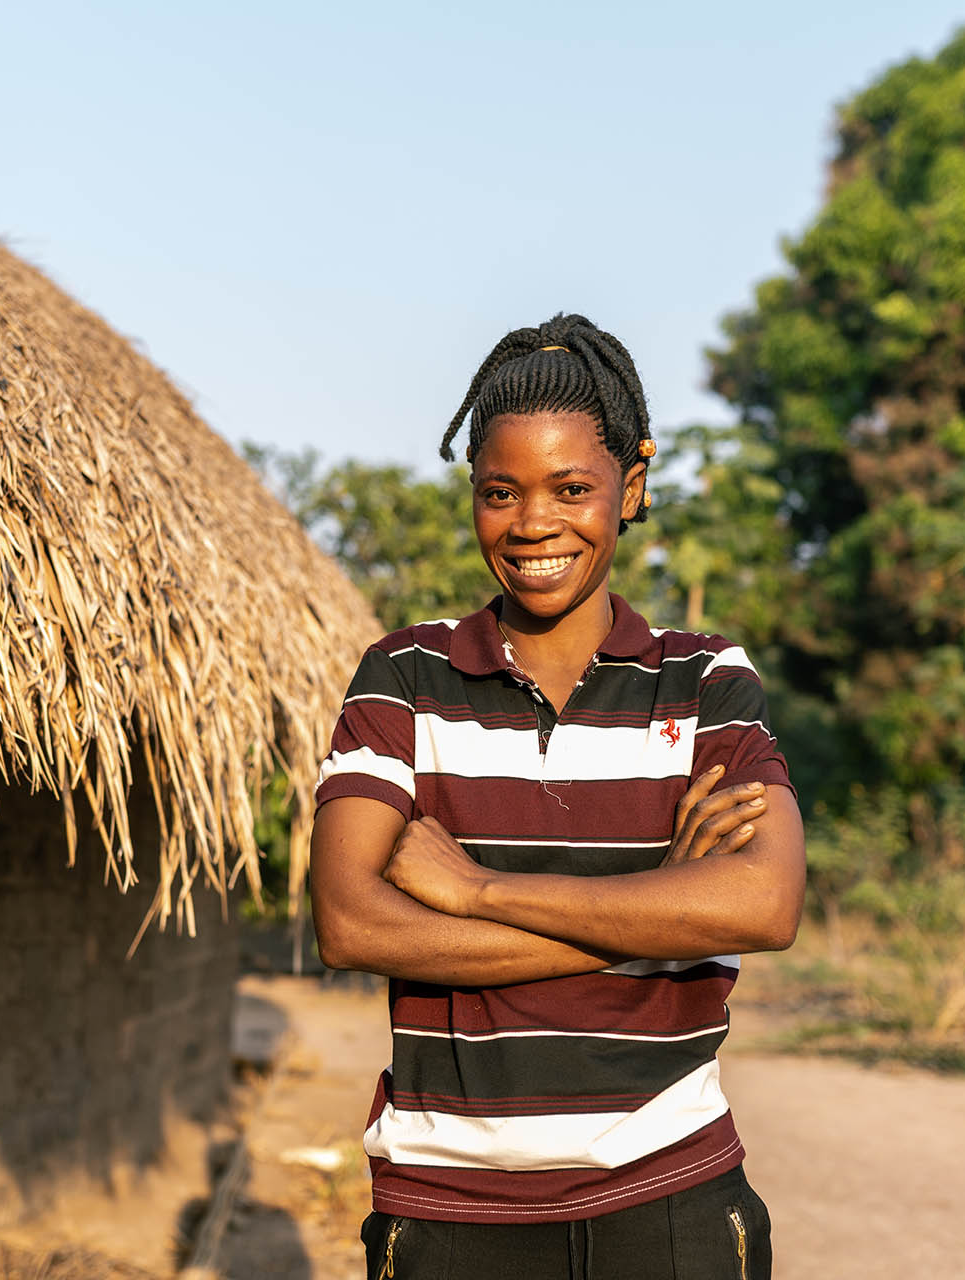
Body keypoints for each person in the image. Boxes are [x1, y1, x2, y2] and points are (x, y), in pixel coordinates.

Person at [309, 313, 805, 1279]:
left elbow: (763, 903)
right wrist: (657, 908)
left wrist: (478, 892)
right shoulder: (403, 677)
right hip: (450, 1215)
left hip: (671, 1204)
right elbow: (349, 922)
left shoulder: (704, 681)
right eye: (501, 492)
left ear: (633, 488)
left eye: (572, 489)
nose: (534, 523)